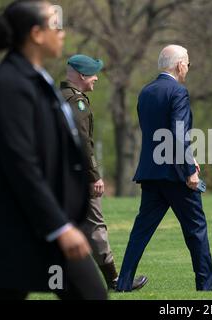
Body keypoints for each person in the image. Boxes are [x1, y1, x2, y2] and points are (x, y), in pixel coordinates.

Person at [0, 0, 106, 300]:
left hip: (45, 227)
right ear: (37, 34)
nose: (62, 33)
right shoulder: (9, 86)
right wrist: (60, 227)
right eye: (55, 25)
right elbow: (20, 164)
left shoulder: (35, 78)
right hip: (22, 232)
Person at [116, 45, 212, 292]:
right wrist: (190, 171)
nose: (188, 68)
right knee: (196, 229)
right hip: (175, 175)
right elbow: (179, 133)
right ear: (180, 64)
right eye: (188, 64)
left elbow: (156, 134)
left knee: (141, 231)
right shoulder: (178, 92)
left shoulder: (145, 92)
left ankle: (124, 282)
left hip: (152, 172)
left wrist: (188, 158)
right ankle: (206, 283)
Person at [60, 55, 148, 291]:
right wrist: (93, 176)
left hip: (59, 176)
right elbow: (83, 143)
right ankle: (114, 280)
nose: (97, 77)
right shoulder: (76, 103)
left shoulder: (58, 97)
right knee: (95, 225)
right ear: (81, 75)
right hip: (77, 176)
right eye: (94, 73)